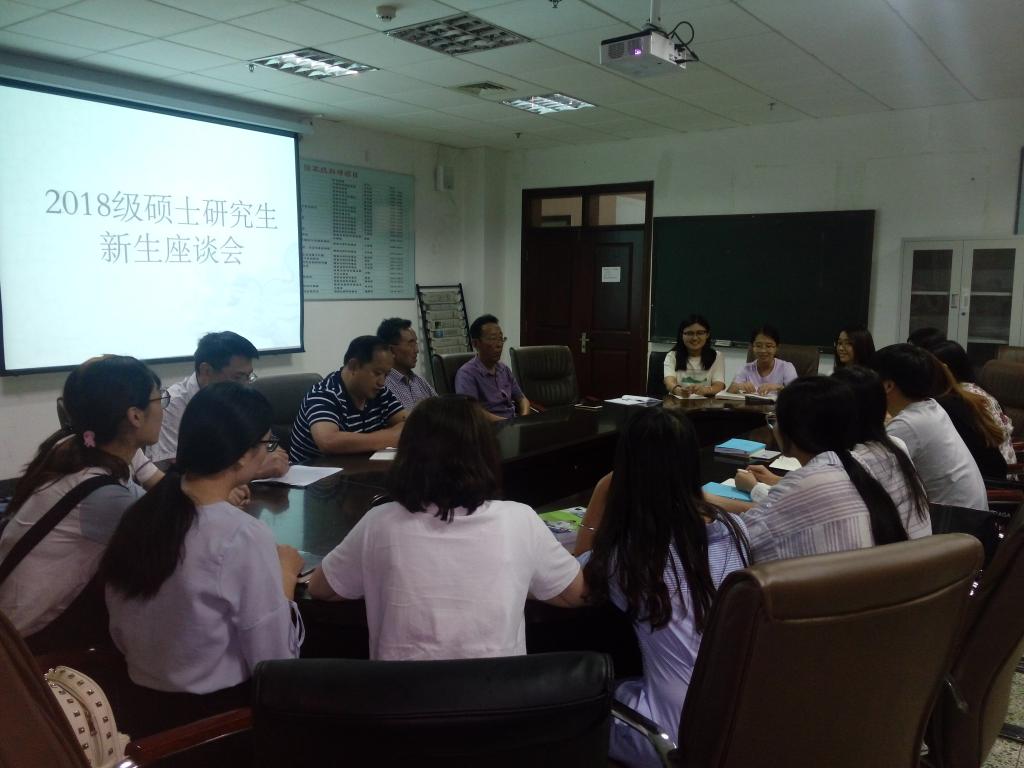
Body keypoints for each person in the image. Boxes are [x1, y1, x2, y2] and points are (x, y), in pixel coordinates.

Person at [308, 395, 584, 660]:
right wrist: (521, 578)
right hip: (495, 691)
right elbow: (575, 595)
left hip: (401, 692)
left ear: (406, 456)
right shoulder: (520, 519)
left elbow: (322, 588)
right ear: (487, 454)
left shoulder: (379, 522)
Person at [102, 383, 304, 731]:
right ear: (242, 455)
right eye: (267, 443)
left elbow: (120, 632)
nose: (269, 451)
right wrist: (285, 578)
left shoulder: (141, 514)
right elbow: (275, 663)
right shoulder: (240, 534)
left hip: (137, 709)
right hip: (216, 724)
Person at [578, 409, 749, 767]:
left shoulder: (629, 555)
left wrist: (602, 491)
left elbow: (573, 574)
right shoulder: (735, 531)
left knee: (577, 701)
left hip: (672, 738)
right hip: (742, 722)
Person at [0, 356, 164, 652]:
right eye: (159, 398)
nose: (162, 407)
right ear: (135, 416)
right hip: (23, 646)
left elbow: (153, 497)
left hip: (11, 620)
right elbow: (177, 530)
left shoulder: (75, 447)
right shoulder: (103, 496)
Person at [711, 376, 931, 562]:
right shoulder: (852, 463)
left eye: (776, 419)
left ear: (792, 429)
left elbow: (738, 540)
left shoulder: (815, 479)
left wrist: (704, 504)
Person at [150, 331, 288, 479]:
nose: (245, 385)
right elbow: (181, 472)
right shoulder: (172, 405)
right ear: (206, 371)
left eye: (249, 376)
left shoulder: (241, 396)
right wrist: (253, 472)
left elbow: (269, 446)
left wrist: (273, 456)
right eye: (238, 377)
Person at [872, 344, 988, 510]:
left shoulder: (908, 425)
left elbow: (870, 472)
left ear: (887, 386)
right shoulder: (931, 406)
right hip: (969, 516)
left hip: (953, 521)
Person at [289, 335, 407, 464]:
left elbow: (410, 424)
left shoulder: (380, 392)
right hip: (315, 474)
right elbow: (328, 441)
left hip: (361, 470)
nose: (382, 382)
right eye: (377, 373)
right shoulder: (325, 393)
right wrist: (390, 437)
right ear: (354, 366)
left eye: (386, 375)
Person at [923, 339, 1015, 467]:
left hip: (994, 471)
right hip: (994, 465)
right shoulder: (973, 389)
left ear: (944, 369)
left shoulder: (960, 399)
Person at [455, 314, 530, 420]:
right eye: (493, 339)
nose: (499, 344)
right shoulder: (466, 374)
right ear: (476, 343)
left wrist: (523, 419)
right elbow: (472, 411)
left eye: (501, 339)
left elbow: (522, 399)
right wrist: (508, 423)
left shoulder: (504, 369)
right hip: (490, 427)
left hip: (513, 423)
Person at [377, 317, 436, 411]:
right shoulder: (382, 386)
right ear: (391, 350)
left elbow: (441, 412)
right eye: (411, 344)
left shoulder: (419, 381)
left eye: (416, 343)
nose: (417, 350)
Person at [663, 314, 726, 397]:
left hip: (706, 403)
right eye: (689, 333)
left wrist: (705, 390)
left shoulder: (717, 356)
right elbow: (669, 382)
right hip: (678, 402)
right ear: (682, 335)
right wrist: (679, 391)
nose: (695, 338)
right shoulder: (672, 355)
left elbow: (719, 385)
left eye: (700, 333)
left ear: (707, 335)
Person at [728, 325, 798, 395]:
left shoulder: (786, 367)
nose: (763, 350)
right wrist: (739, 386)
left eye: (768, 346)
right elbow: (729, 390)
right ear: (752, 347)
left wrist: (778, 387)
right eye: (758, 346)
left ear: (776, 348)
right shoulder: (745, 368)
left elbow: (797, 392)